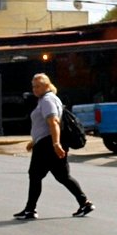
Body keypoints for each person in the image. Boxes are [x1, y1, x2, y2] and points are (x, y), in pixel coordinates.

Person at [15, 73, 92, 220]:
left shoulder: (47, 100)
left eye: (38, 86)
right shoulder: (47, 99)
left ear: (46, 86)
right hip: (46, 142)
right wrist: (34, 141)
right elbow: (45, 125)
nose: (35, 89)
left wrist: (56, 143)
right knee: (62, 176)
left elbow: (54, 122)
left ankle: (30, 210)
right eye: (33, 86)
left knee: (35, 175)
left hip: (47, 145)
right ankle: (85, 203)